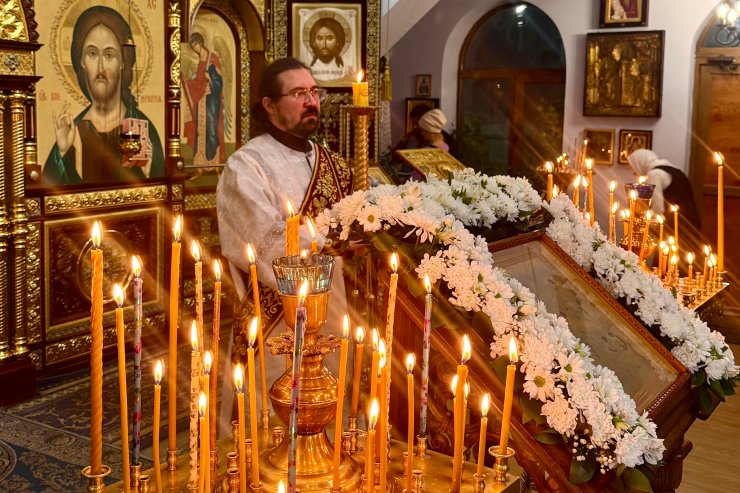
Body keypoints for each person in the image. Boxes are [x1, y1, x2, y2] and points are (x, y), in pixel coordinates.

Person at [216, 57, 353, 431]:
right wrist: (333, 240)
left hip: (337, 306)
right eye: (299, 93)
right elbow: (265, 239)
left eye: (314, 92)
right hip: (278, 317)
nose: (312, 101)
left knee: (335, 408)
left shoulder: (331, 161)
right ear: (269, 105)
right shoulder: (247, 165)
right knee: (276, 420)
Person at [43, 6, 164, 185]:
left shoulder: (138, 127)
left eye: (109, 55)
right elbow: (49, 191)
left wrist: (147, 173)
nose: (100, 68)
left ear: (122, 62)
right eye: (92, 54)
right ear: (82, 61)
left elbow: (155, 191)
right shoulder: (71, 133)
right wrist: (62, 154)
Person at [627, 148, 702, 230]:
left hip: (677, 225)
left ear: (639, 163)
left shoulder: (654, 174)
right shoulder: (671, 168)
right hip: (690, 221)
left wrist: (647, 227)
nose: (634, 172)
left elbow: (658, 208)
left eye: (633, 167)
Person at [183, 32, 225, 166]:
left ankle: (214, 162)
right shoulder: (201, 61)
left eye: (196, 44)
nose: (195, 48)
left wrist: (210, 79)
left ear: (201, 43)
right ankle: (200, 163)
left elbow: (219, 85)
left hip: (212, 99)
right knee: (200, 130)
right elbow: (198, 81)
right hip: (201, 99)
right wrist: (186, 82)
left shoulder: (212, 59)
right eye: (193, 47)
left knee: (211, 129)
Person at [307, 17, 350, 81]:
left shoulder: (345, 69)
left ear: (338, 41)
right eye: (320, 38)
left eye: (329, 38)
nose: (324, 44)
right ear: (313, 42)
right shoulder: (308, 68)